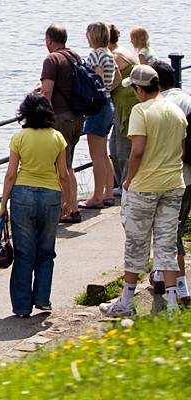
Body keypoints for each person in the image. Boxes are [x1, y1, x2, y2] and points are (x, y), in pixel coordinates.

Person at [99, 65, 188, 317]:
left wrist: (128, 179)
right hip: (173, 184)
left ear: (139, 89)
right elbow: (180, 150)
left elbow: (137, 150)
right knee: (167, 244)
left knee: (136, 243)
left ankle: (127, 301)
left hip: (145, 186)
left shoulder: (141, 111)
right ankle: (171, 305)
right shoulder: (176, 112)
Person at [0, 92, 71, 318]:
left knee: (24, 253)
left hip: (23, 196)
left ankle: (21, 306)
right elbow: (64, 174)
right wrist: (67, 199)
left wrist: (3, 203)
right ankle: (42, 299)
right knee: (46, 251)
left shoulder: (20, 138)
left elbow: (11, 174)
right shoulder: (58, 137)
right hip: (50, 195)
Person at [148, 60, 191, 305]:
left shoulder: (163, 105)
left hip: (173, 176)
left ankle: (182, 287)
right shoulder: (187, 99)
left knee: (169, 233)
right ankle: (161, 275)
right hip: (188, 175)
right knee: (175, 230)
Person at [37, 23, 83, 223]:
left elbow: (47, 92)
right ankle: (71, 207)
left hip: (60, 117)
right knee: (68, 164)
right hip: (76, 116)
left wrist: (40, 116)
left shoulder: (52, 59)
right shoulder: (74, 56)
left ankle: (67, 209)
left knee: (60, 166)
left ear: (49, 39)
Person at [78, 22, 118, 209]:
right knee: (104, 152)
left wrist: (94, 93)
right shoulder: (110, 54)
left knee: (96, 155)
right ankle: (108, 193)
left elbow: (98, 79)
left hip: (98, 106)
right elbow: (117, 77)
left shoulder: (95, 55)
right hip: (109, 103)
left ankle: (97, 196)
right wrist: (109, 89)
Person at [108, 24, 139, 194]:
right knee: (114, 146)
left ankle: (126, 184)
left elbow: (111, 80)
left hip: (127, 105)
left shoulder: (115, 55)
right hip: (124, 104)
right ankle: (121, 182)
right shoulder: (122, 50)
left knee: (122, 147)